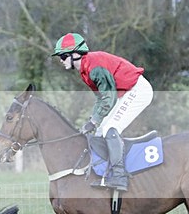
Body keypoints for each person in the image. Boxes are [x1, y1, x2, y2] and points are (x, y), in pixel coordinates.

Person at [51, 33, 153, 191]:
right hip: (124, 92)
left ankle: (119, 176)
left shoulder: (94, 67)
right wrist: (93, 120)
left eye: (63, 56)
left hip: (137, 90)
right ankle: (105, 172)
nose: (61, 60)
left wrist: (94, 121)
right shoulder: (85, 70)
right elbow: (101, 99)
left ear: (76, 54)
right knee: (98, 131)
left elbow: (108, 99)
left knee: (110, 129)